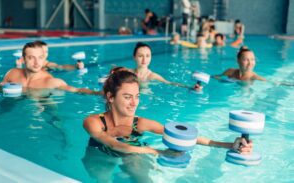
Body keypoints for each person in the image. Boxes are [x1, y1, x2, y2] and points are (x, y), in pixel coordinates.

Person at [83, 70, 252, 165]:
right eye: (127, 97)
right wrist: (159, 152)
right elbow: (115, 144)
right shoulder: (94, 122)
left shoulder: (141, 123)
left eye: (137, 96)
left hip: (134, 154)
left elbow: (183, 136)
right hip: (100, 156)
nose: (134, 103)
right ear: (111, 97)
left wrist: (230, 145)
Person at [0, 41, 100, 95]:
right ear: (23, 59)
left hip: (43, 104)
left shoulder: (51, 82)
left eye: (40, 58)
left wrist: (97, 93)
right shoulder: (11, 74)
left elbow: (77, 90)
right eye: (31, 58)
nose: (37, 62)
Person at [132, 42, 201, 90]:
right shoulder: (129, 72)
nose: (144, 59)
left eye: (147, 56)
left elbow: (169, 83)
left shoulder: (152, 76)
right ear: (134, 57)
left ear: (151, 57)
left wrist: (190, 87)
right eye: (140, 56)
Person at [16, 40, 84, 71]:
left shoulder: (48, 64)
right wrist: (18, 65)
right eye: (42, 51)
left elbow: (60, 67)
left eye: (46, 52)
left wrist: (75, 66)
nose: (45, 54)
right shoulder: (26, 61)